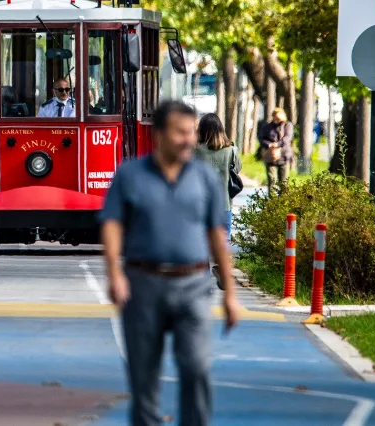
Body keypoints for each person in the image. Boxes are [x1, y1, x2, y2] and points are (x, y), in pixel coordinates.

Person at [100, 100, 240, 426]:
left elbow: (217, 236)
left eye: (191, 132)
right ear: (158, 134)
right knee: (143, 374)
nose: (189, 139)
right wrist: (114, 274)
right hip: (142, 284)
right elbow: (112, 225)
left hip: (193, 286)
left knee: (196, 367)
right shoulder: (130, 176)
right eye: (180, 133)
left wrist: (230, 293)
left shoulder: (204, 178)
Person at [195, 113, 242, 235]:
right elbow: (238, 168)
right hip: (224, 203)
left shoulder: (195, 150)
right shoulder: (231, 150)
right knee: (223, 241)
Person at [258, 107, 293, 191]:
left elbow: (287, 138)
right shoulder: (267, 127)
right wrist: (269, 144)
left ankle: (282, 202)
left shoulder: (287, 125)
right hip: (271, 156)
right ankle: (272, 201)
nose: (276, 119)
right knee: (272, 180)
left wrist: (278, 144)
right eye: (275, 117)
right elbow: (261, 138)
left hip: (284, 156)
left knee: (284, 182)